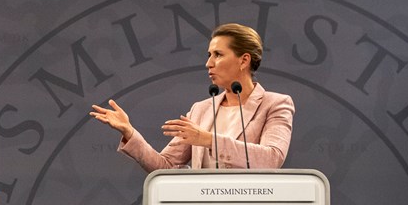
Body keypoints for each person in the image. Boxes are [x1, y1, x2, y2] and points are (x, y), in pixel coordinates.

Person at [90, 23, 293, 170]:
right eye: (209, 55)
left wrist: (208, 140)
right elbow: (166, 166)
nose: (209, 63)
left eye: (218, 55)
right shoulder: (201, 110)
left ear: (244, 60)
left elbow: (271, 158)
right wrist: (130, 132)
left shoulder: (275, 104)